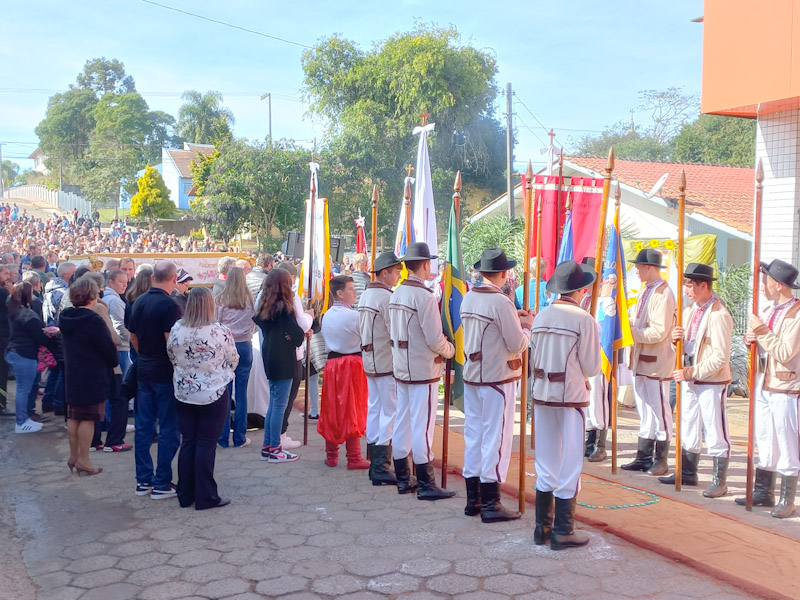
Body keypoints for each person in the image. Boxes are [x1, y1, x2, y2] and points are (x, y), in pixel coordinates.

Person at [531, 260, 600, 550]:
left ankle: (541, 528)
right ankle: (562, 530)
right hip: (570, 395)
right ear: (581, 290)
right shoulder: (584, 319)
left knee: (546, 459)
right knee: (570, 460)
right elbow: (592, 366)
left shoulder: (541, 315)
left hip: (542, 393)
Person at [461, 249, 533, 522]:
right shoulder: (500, 302)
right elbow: (517, 344)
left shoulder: (470, 296)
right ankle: (491, 503)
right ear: (503, 274)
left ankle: (474, 500)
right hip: (497, 376)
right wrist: (526, 326)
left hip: (474, 374)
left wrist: (515, 315)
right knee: (497, 438)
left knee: (475, 435)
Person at [655, 263, 733, 496]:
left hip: (710, 381)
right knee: (688, 424)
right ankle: (688, 472)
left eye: (690, 285)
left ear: (703, 285)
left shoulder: (719, 314)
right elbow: (685, 346)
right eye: (686, 285)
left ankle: (720, 480)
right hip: (688, 377)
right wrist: (674, 339)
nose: (687, 290)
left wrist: (691, 372)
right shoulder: (689, 311)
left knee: (714, 428)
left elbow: (720, 357)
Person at [389, 242, 456, 500]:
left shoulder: (396, 292)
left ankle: (404, 478)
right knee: (423, 426)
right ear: (426, 265)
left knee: (403, 421)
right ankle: (427, 484)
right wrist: (450, 349)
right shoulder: (424, 296)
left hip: (402, 367)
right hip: (422, 368)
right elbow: (434, 339)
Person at [737, 259, 800, 518]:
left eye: (765, 281)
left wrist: (760, 331)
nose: (762, 286)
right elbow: (763, 342)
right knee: (765, 436)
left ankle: (788, 498)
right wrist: (751, 338)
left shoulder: (796, 314)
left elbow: (786, 352)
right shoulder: (769, 309)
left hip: (785, 384)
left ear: (778, 284)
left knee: (787, 440)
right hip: (764, 380)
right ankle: (764, 490)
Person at [168, 287, 238, 509]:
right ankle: (206, 496)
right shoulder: (219, 331)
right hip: (213, 391)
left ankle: (185, 494)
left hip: (184, 391)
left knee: (188, 441)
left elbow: (170, 354)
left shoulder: (178, 328)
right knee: (206, 444)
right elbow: (233, 358)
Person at [128, 261, 182, 499]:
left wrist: (145, 355)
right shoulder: (169, 305)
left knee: (144, 427)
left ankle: (143, 481)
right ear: (173, 278)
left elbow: (133, 337)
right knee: (169, 427)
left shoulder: (139, 300)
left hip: (144, 370)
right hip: (164, 373)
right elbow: (172, 342)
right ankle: (161, 482)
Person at [621, 249, 676, 477]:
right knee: (644, 408)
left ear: (650, 268)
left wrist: (630, 332)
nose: (637, 270)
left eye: (640, 266)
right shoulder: (647, 291)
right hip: (641, 359)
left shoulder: (663, 294)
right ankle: (644, 456)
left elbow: (659, 332)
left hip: (656, 361)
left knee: (660, 409)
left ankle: (661, 459)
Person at [59, 278, 119, 475]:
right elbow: (108, 349)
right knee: (88, 418)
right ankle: (84, 460)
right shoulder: (92, 320)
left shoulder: (66, 317)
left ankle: (74, 456)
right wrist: (113, 361)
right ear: (92, 296)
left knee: (75, 417)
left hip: (73, 373)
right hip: (92, 375)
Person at [358, 251, 402, 485]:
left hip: (371, 359)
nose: (398, 275)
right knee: (390, 411)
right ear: (384, 272)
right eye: (396, 271)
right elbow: (395, 332)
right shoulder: (386, 298)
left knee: (375, 409)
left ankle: (376, 464)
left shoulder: (367, 295)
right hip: (385, 360)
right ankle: (381, 465)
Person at [253, 268, 306, 463]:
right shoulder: (285, 308)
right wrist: (292, 335)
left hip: (269, 354)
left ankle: (268, 445)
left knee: (274, 403)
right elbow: (299, 336)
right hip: (284, 358)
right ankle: (275, 448)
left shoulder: (265, 306)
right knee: (279, 405)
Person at [318, 275, 370, 469]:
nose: (355, 291)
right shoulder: (355, 316)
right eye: (350, 288)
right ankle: (354, 457)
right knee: (353, 408)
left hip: (332, 364)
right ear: (340, 293)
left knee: (331, 408)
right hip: (352, 364)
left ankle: (331, 456)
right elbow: (367, 338)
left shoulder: (327, 315)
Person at [6, 282, 57, 433]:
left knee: (24, 389)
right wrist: (53, 338)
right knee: (24, 390)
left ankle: (24, 419)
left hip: (16, 351)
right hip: (24, 354)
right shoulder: (27, 315)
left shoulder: (13, 309)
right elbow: (40, 336)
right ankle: (21, 422)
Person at [215, 267, 255, 448]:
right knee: (241, 393)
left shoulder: (220, 299)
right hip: (245, 345)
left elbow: (215, 323)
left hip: (225, 346)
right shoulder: (250, 300)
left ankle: (222, 438)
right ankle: (240, 437)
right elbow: (255, 321)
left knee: (225, 392)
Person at [275, 262, 313, 450]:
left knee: (277, 400)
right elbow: (300, 325)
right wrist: (309, 316)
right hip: (289, 353)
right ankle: (278, 438)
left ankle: (274, 438)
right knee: (284, 399)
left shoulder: (265, 297)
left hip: (272, 351)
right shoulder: (288, 298)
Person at [0, 265, 13, 417]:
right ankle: (1, 406)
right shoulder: (3, 292)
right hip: (2, 338)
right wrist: (11, 294)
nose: (8, 276)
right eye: (5, 273)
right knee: (2, 373)